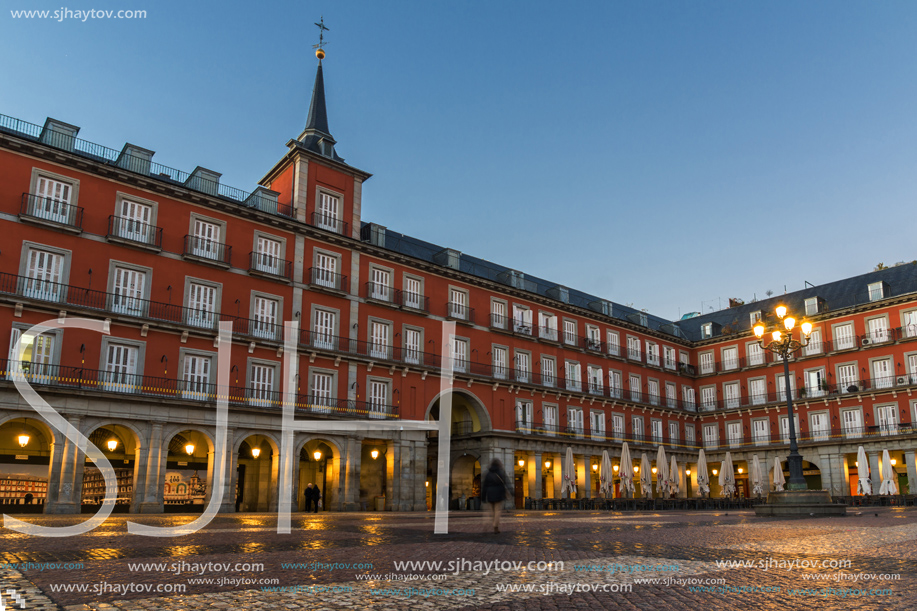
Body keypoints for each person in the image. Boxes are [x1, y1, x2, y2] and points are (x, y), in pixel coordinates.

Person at [482, 458, 510, 534]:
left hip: (490, 494)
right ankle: (495, 526)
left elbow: (484, 485)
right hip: (499, 494)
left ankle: (493, 524)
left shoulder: (488, 473)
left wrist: (483, 497)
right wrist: (511, 491)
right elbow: (507, 482)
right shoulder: (501, 472)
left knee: (492, 512)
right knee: (497, 511)